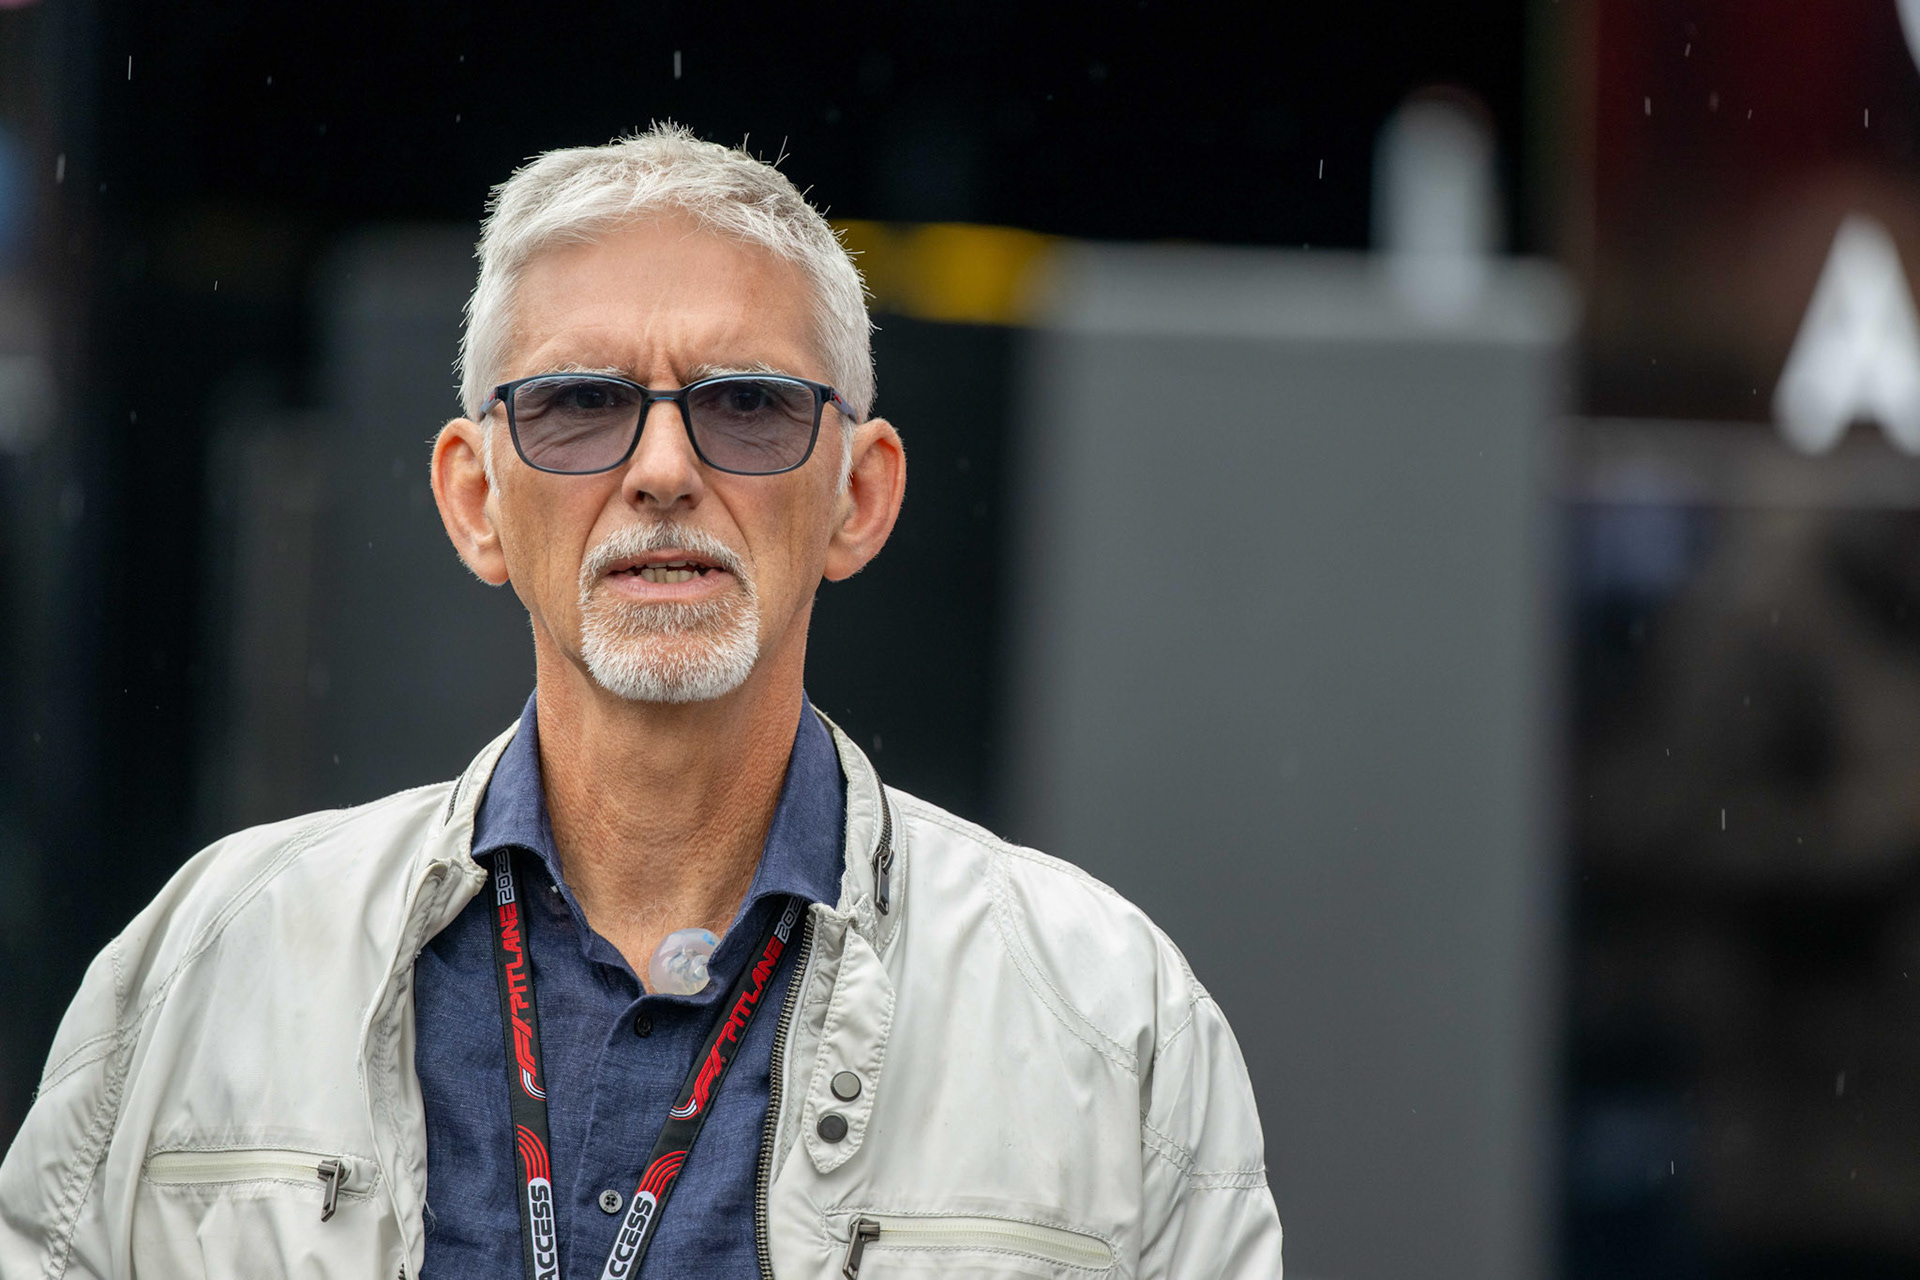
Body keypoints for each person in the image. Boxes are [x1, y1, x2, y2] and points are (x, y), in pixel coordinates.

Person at [0, 125, 1283, 1279]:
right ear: (474, 499)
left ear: (860, 494)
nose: (663, 467)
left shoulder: (1110, 1021)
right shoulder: (209, 965)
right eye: (579, 404)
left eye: (748, 404)